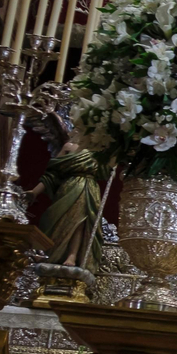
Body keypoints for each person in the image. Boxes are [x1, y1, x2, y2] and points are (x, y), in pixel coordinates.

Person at [29, 112, 103, 267]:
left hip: (87, 188)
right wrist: (34, 192)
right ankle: (50, 254)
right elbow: (52, 174)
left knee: (80, 222)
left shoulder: (99, 150)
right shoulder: (68, 146)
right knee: (56, 221)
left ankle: (72, 256)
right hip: (67, 188)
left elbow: (105, 171)